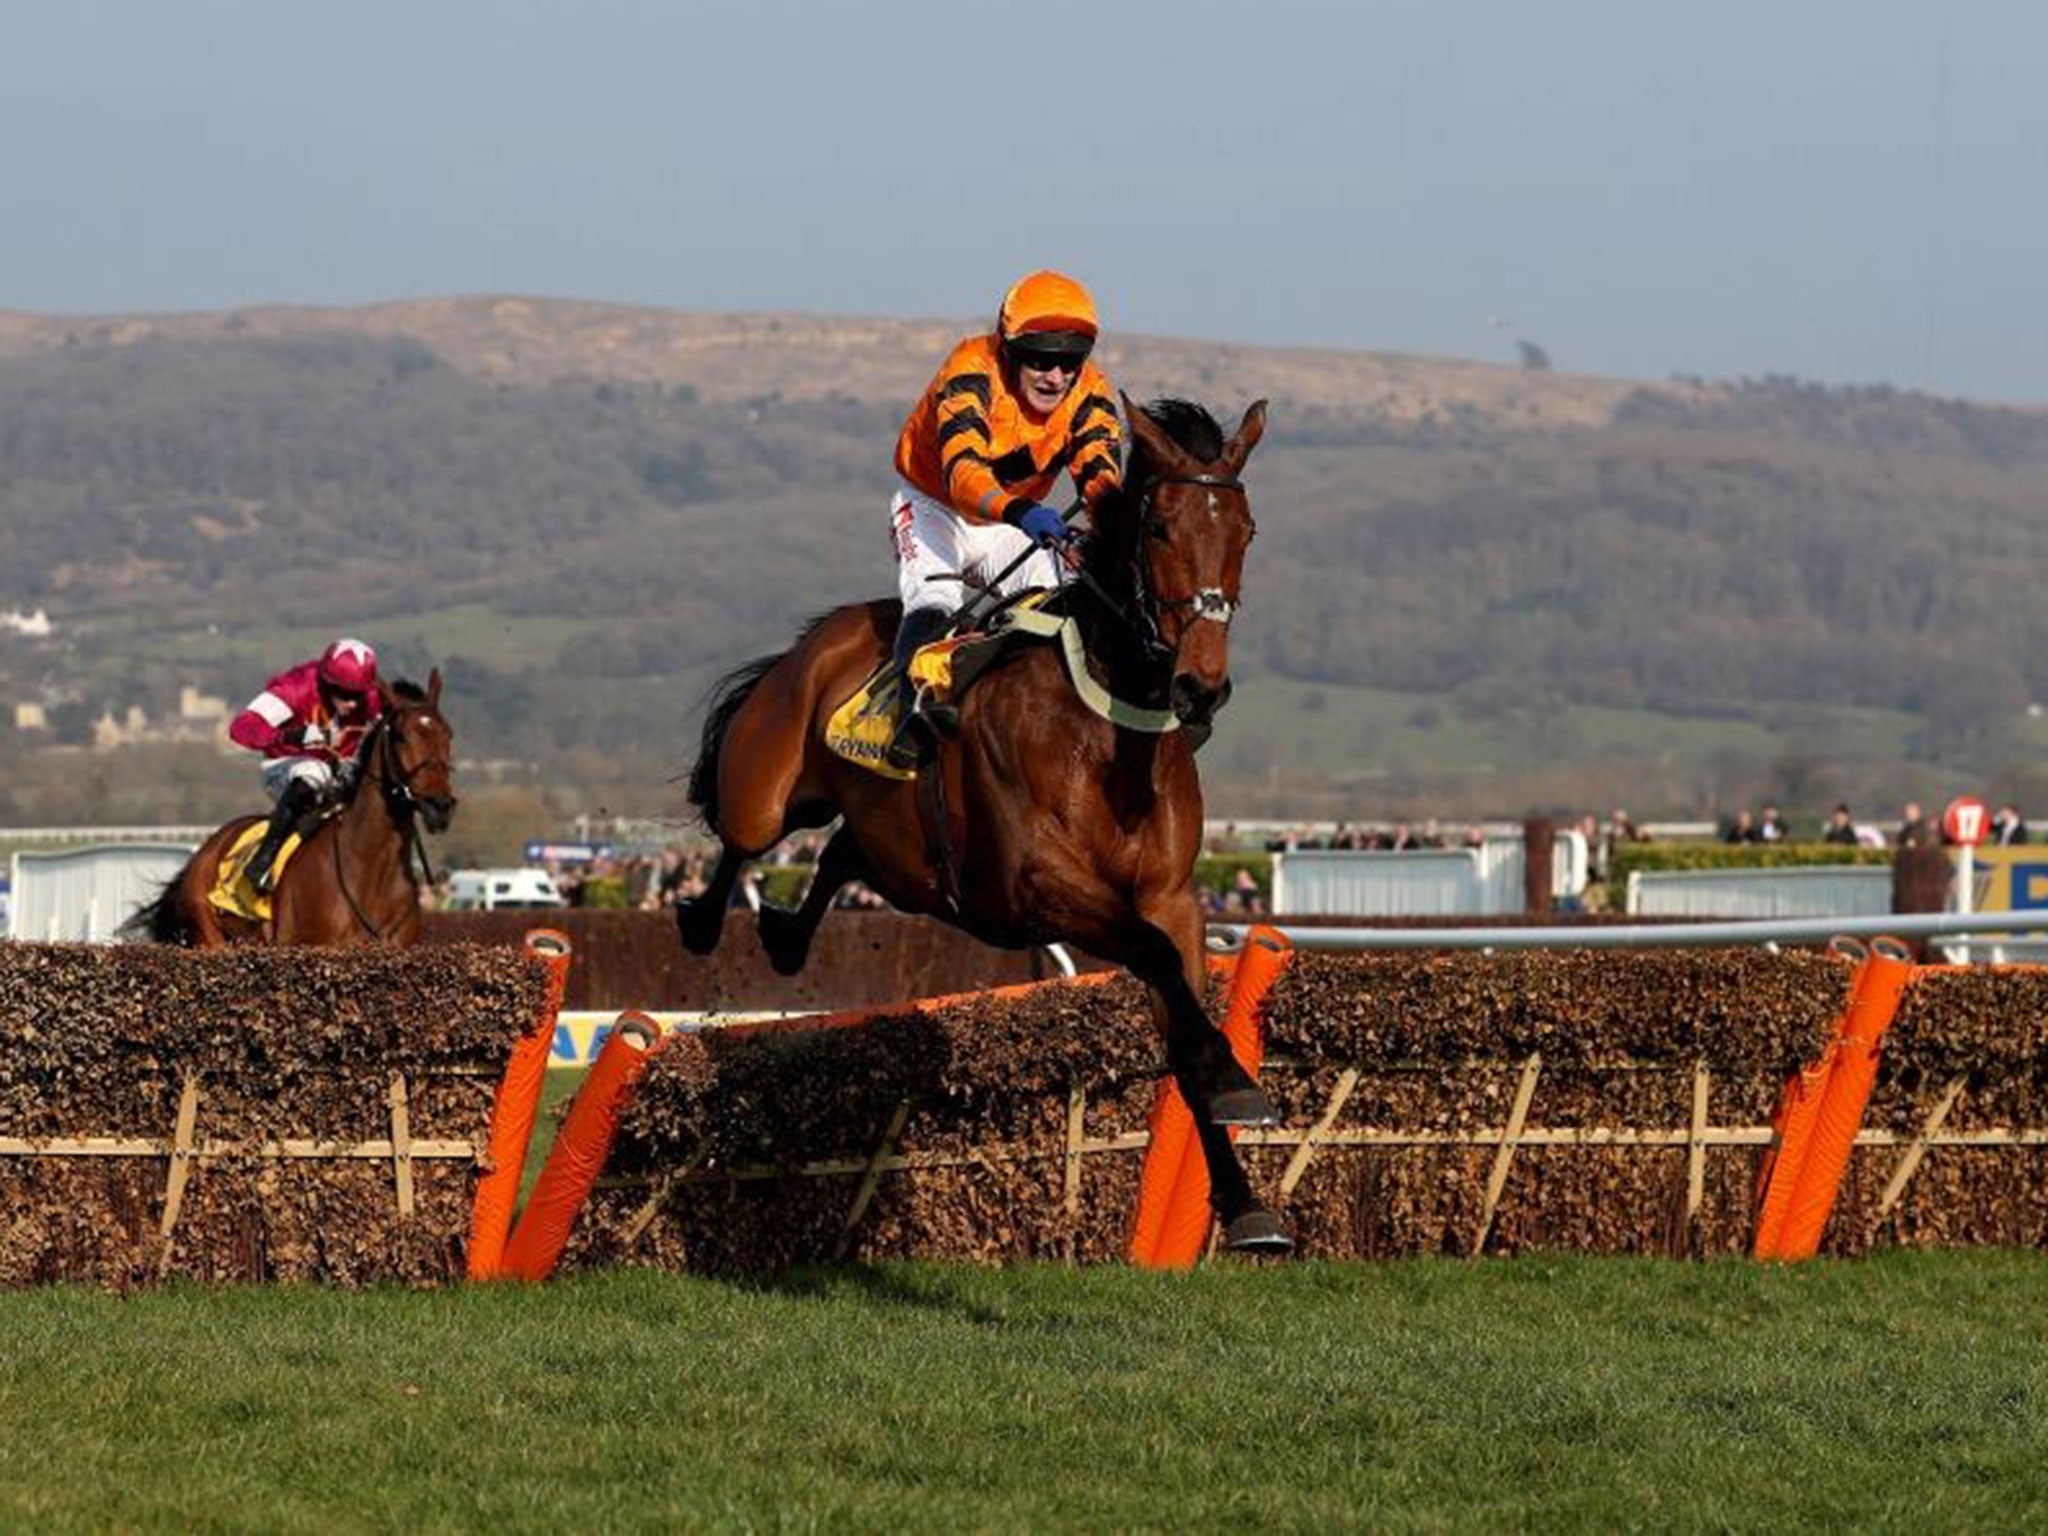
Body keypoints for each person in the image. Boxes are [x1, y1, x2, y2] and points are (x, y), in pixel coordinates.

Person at [883, 270, 1124, 767]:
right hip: (936, 508)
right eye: (1040, 359)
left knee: (1082, 593)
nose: (1055, 377)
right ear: (1009, 350)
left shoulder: (1090, 393)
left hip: (1010, 526)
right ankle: (914, 715)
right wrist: (1023, 511)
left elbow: (1101, 472)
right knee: (935, 597)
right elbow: (963, 474)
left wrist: (1114, 525)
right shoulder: (970, 369)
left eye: (1069, 362)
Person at [226, 637, 384, 892]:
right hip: (285, 766)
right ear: (326, 682)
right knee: (313, 772)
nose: (353, 704)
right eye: (344, 694)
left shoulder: (373, 698)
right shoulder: (295, 688)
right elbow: (241, 728)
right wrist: (291, 736)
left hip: (342, 772)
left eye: (358, 695)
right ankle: (263, 860)